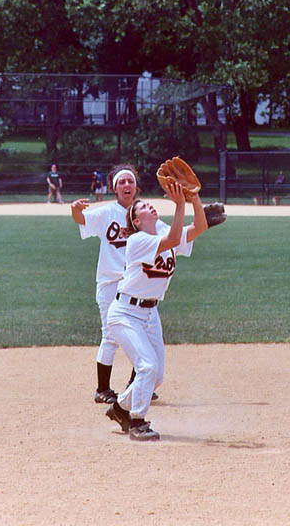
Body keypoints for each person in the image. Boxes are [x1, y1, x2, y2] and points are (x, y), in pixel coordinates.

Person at [105, 182, 207, 441]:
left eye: (149, 203)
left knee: (156, 376)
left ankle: (119, 408)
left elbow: (200, 228)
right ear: (136, 220)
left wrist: (194, 199)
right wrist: (180, 204)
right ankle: (137, 422)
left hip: (150, 314)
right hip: (126, 312)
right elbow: (174, 238)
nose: (148, 205)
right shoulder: (137, 240)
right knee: (147, 366)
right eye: (142, 207)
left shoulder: (163, 232)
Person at [71, 164, 143, 404]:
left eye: (130, 182)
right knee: (110, 335)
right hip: (110, 283)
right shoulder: (106, 212)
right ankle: (102, 389)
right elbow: (81, 220)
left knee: (141, 333)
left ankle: (138, 384)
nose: (126, 185)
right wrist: (75, 210)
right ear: (114, 188)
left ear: (136, 187)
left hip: (135, 284)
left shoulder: (142, 213)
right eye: (121, 182)